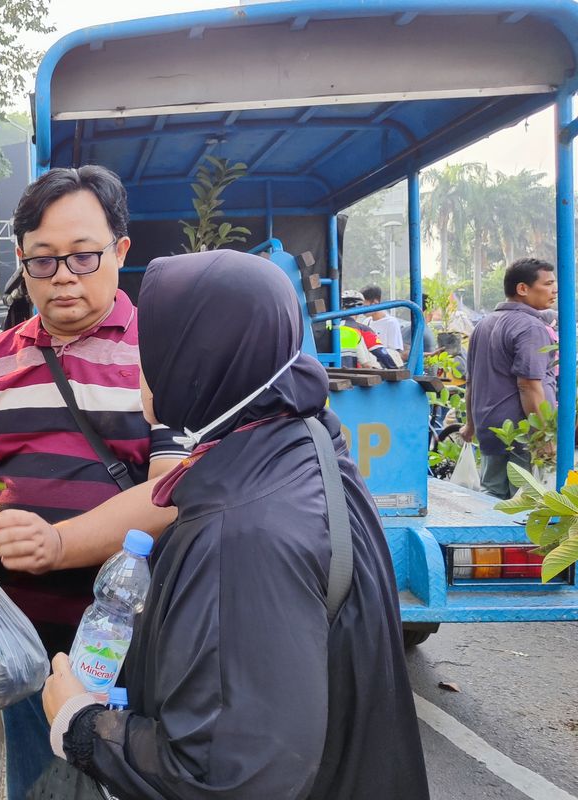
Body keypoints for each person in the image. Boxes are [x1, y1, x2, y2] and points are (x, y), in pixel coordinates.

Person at [40, 250, 429, 800]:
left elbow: (229, 773)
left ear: (196, 359)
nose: (137, 365)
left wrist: (79, 725)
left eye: (152, 347)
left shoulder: (241, 532)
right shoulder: (301, 440)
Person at [0, 166, 185, 799]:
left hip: (134, 647)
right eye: (43, 261)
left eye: (83, 256)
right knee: (39, 789)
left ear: (121, 251)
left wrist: (57, 543)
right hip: (26, 646)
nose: (63, 275)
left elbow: (171, 494)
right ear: (22, 261)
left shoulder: (165, 355)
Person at [461, 258, 558, 499]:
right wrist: (542, 435)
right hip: (522, 433)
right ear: (523, 289)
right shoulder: (529, 327)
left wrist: (471, 425)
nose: (553, 290)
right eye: (547, 284)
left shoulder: (484, 324)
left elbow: (473, 381)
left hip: (490, 430)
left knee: (492, 500)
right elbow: (529, 385)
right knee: (526, 507)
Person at [361, 284, 404, 354]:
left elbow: (395, 351)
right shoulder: (366, 322)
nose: (362, 309)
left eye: (365, 306)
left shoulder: (391, 323)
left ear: (375, 302)